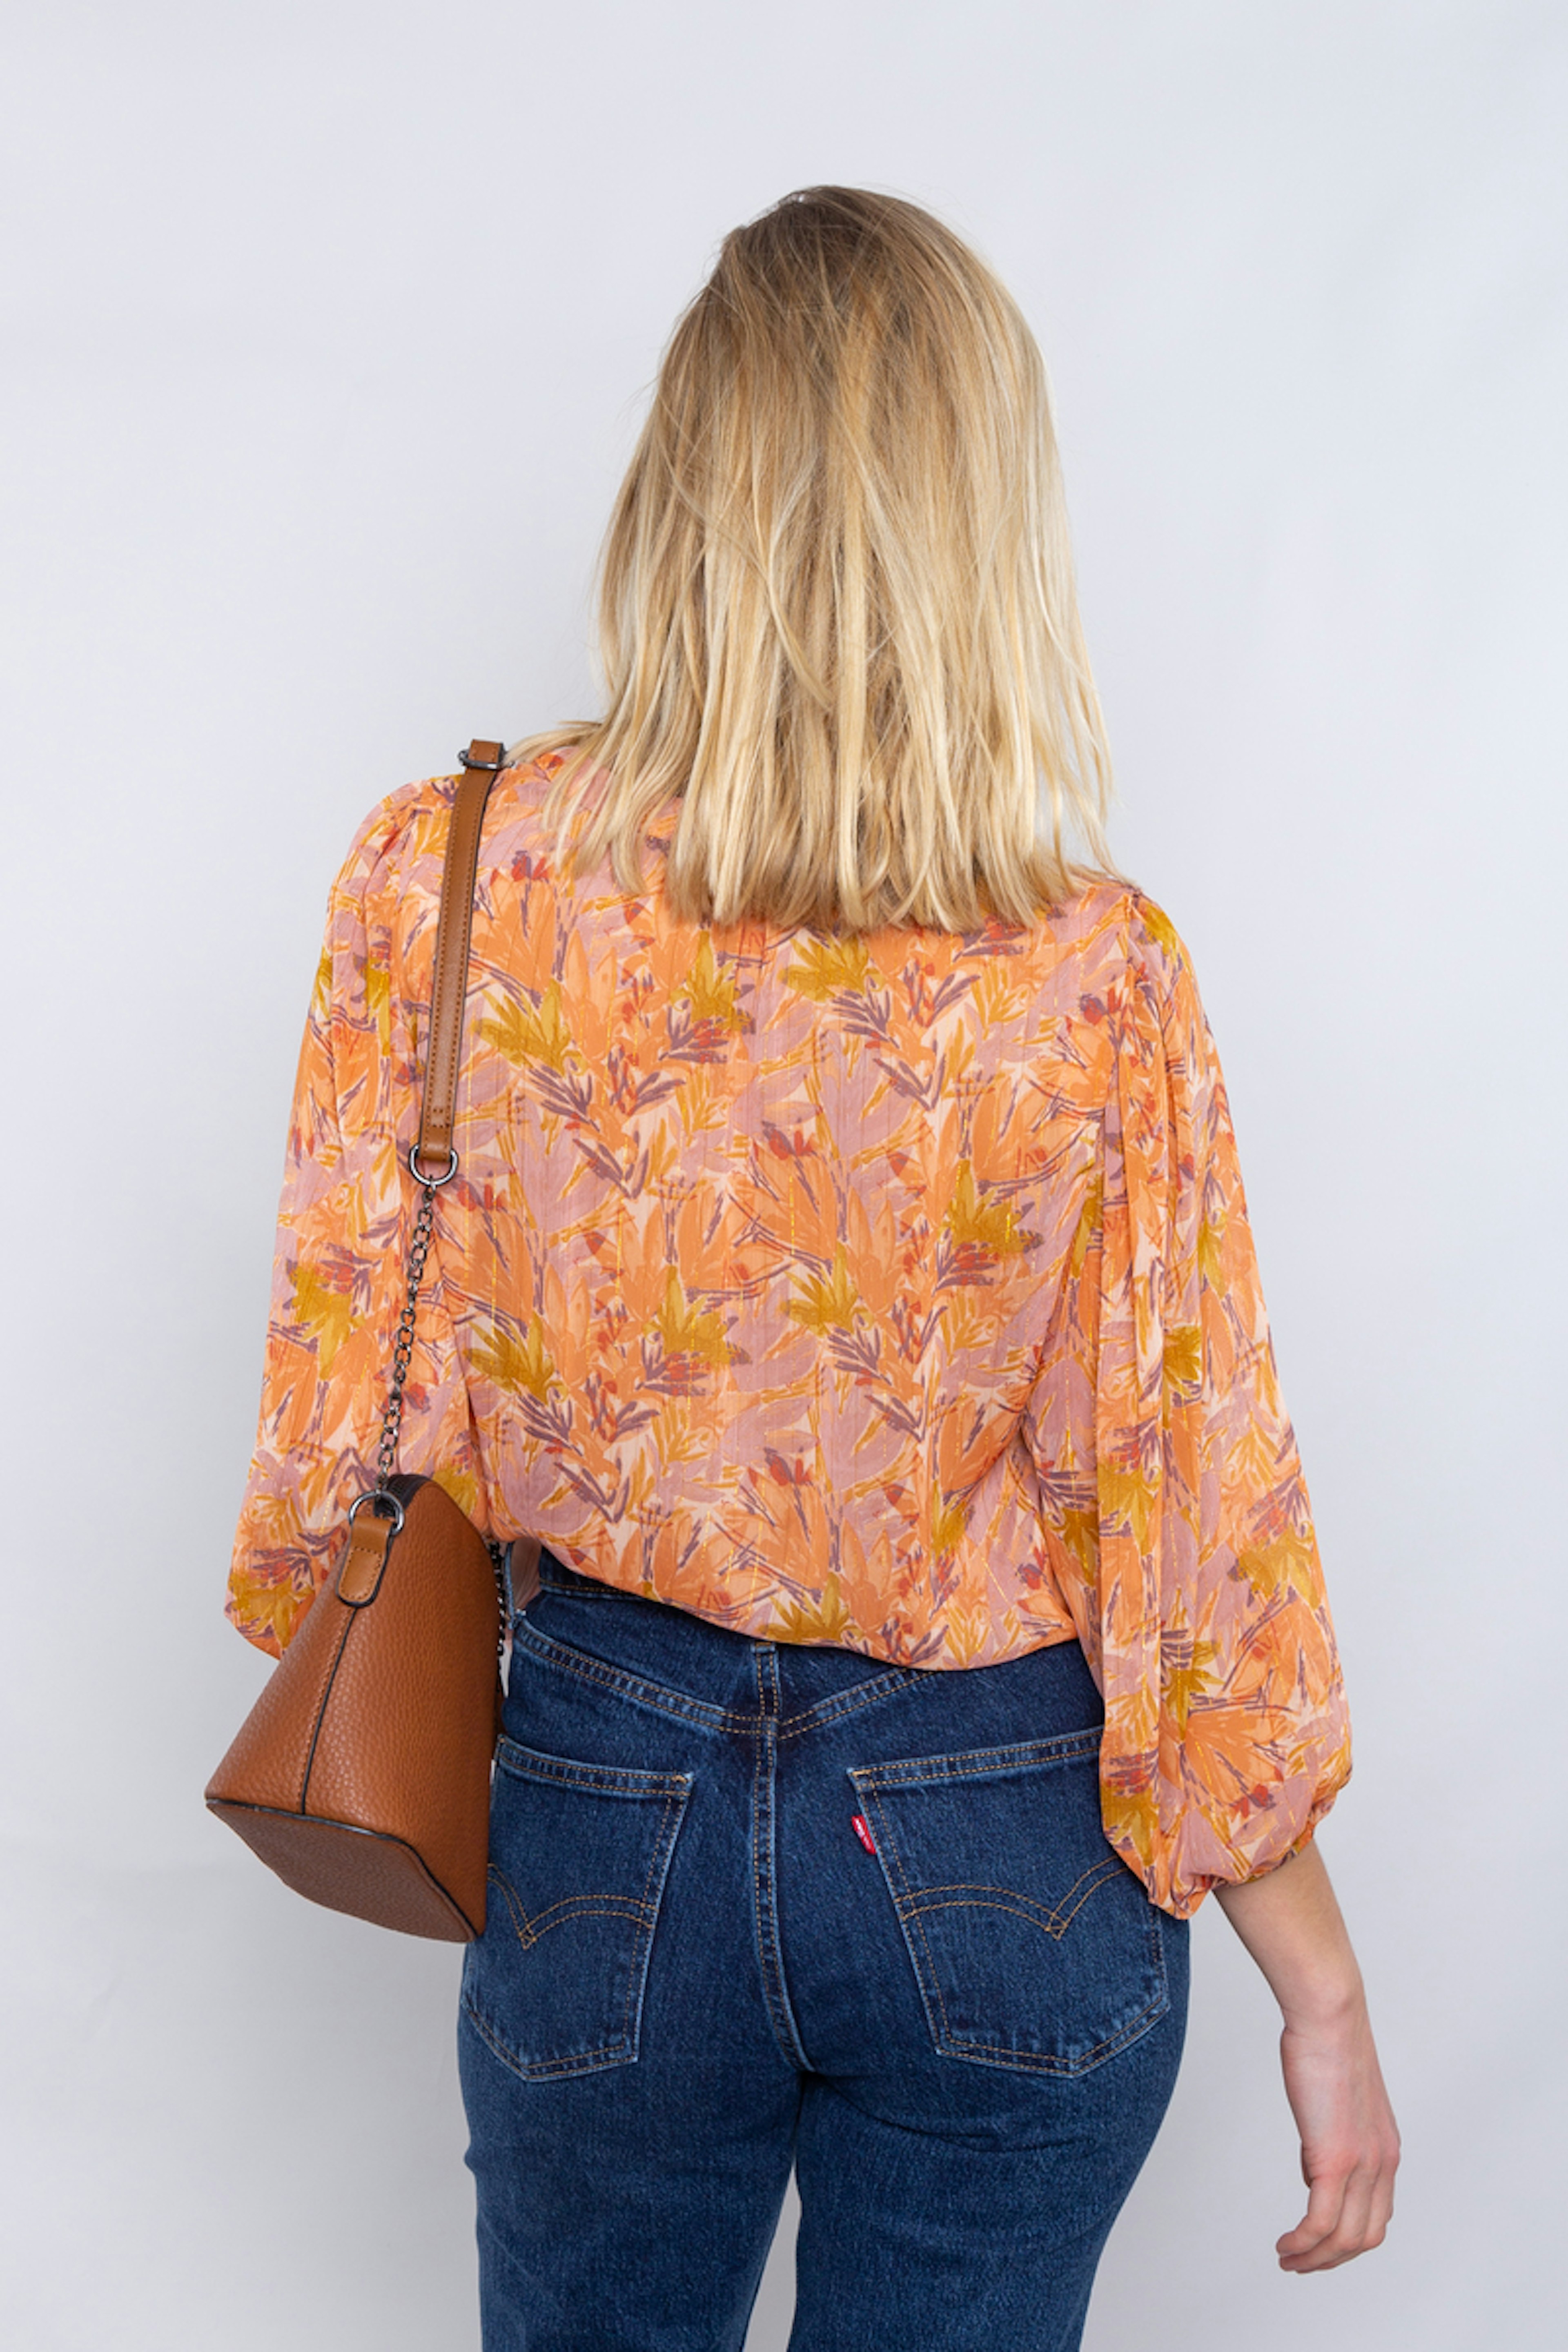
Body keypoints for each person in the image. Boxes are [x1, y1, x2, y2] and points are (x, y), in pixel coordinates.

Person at [226, 186, 1399, 2350]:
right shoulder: (1092, 970)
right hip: (999, 1829)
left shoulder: (448, 875)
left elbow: (347, 1416)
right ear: (983, 522)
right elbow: (1183, 1519)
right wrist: (1318, 1992)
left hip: (604, 1800)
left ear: (685, 488)